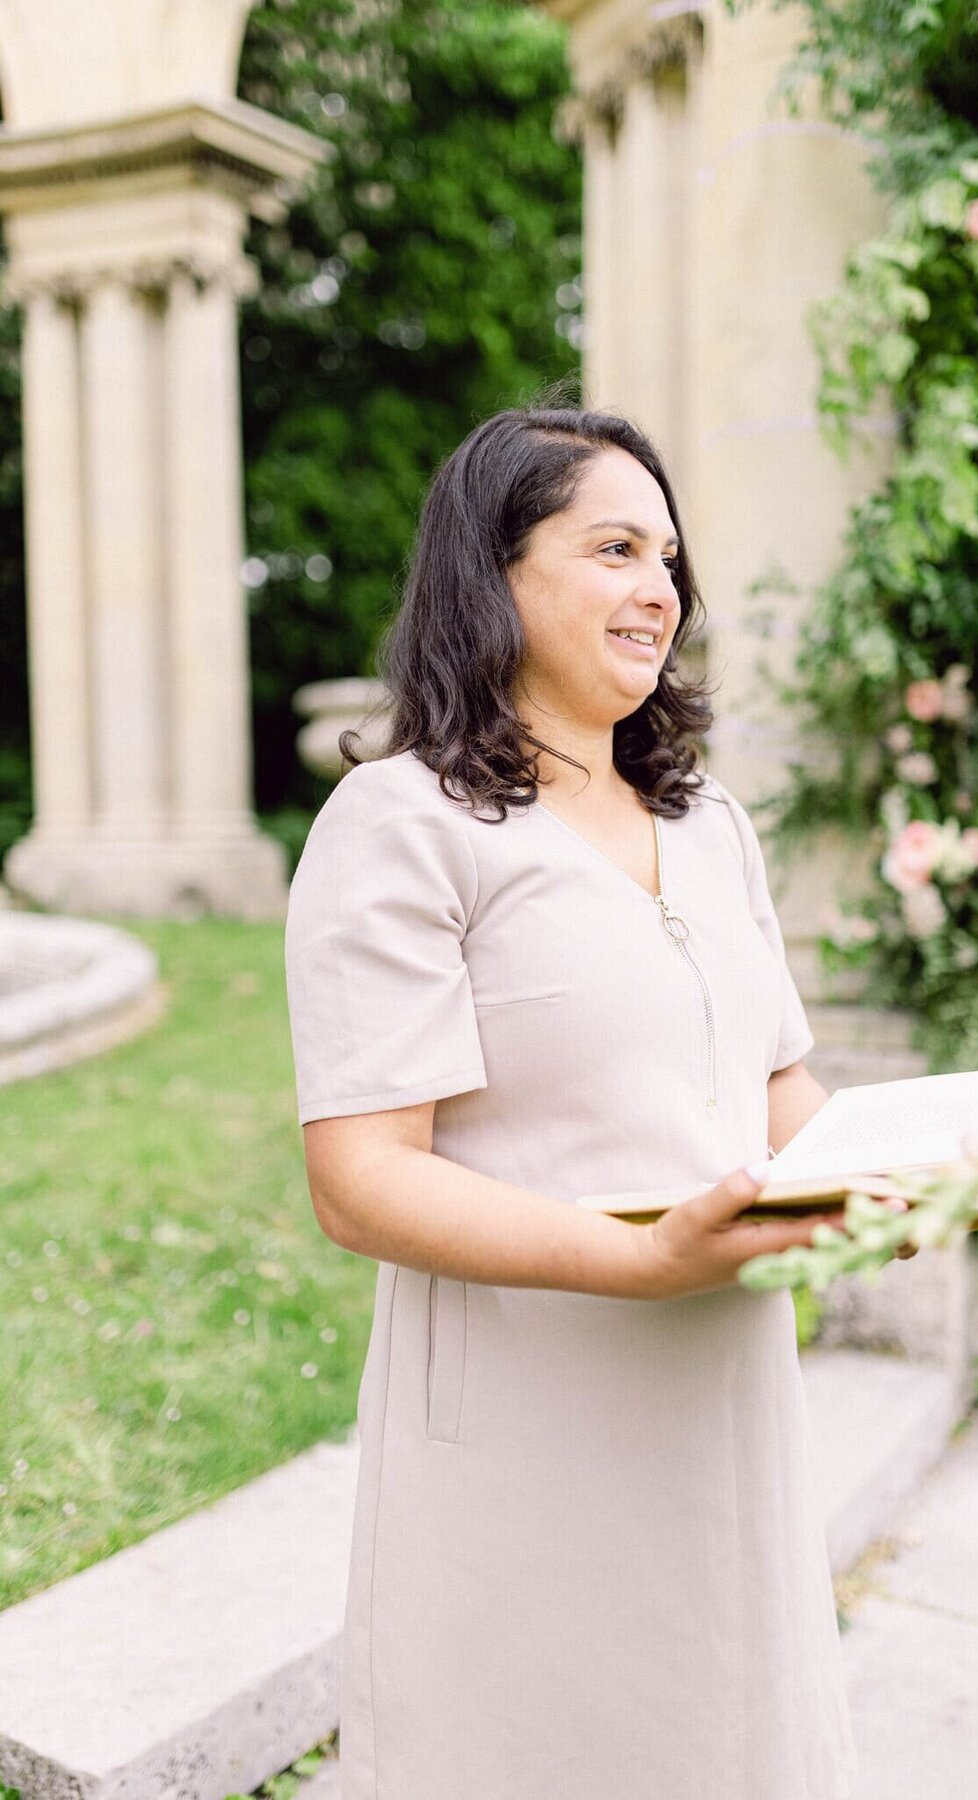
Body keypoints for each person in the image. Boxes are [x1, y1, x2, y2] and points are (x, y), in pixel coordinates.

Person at [284, 401, 867, 1798]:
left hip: (725, 1390)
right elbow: (362, 1177)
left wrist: (913, 1176)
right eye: (614, 547)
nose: (659, 588)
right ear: (495, 571)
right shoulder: (402, 824)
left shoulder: (708, 825)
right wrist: (638, 1257)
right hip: (524, 1418)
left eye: (668, 556)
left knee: (730, 1736)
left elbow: (777, 1085)